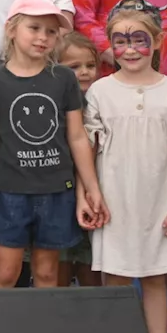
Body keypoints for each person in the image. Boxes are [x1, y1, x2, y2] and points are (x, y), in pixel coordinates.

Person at [83, 1, 167, 333]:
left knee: (156, 279)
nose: (130, 49)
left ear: (158, 41)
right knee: (114, 278)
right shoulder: (100, 91)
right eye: (120, 40)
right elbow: (88, 149)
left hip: (160, 200)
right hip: (114, 200)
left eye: (139, 39)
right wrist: (88, 194)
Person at [0, 0, 107, 291]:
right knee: (6, 272)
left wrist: (92, 188)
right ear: (12, 29)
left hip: (56, 191)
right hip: (8, 192)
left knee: (48, 274)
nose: (43, 37)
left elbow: (76, 136)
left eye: (50, 31)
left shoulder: (64, 78)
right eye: (34, 28)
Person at [54, 33, 106, 290]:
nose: (85, 72)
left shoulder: (103, 101)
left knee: (91, 266)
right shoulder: (54, 104)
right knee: (59, 266)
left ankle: (94, 325)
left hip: (96, 193)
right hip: (62, 194)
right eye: (74, 67)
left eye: (90, 65)